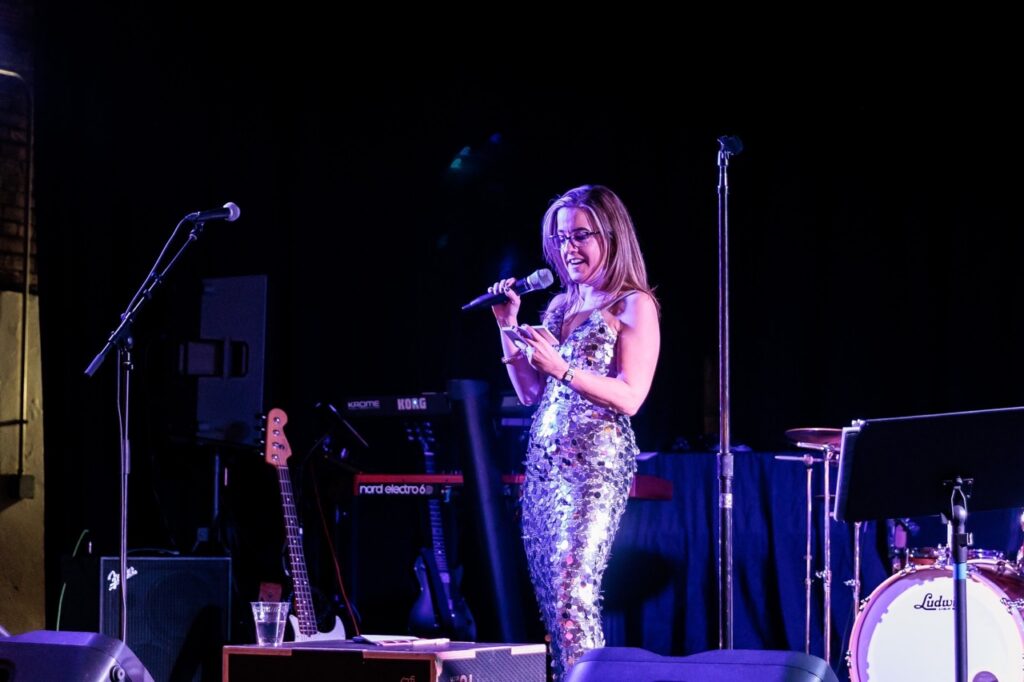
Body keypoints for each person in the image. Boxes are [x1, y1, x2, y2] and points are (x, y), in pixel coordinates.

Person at [488, 185, 660, 679]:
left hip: (594, 467)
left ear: (611, 235)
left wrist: (562, 367)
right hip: (546, 469)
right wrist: (508, 325)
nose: (569, 249)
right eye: (561, 239)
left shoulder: (633, 303)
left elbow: (631, 396)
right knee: (552, 599)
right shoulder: (562, 307)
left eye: (580, 235)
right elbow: (529, 394)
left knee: (574, 594)